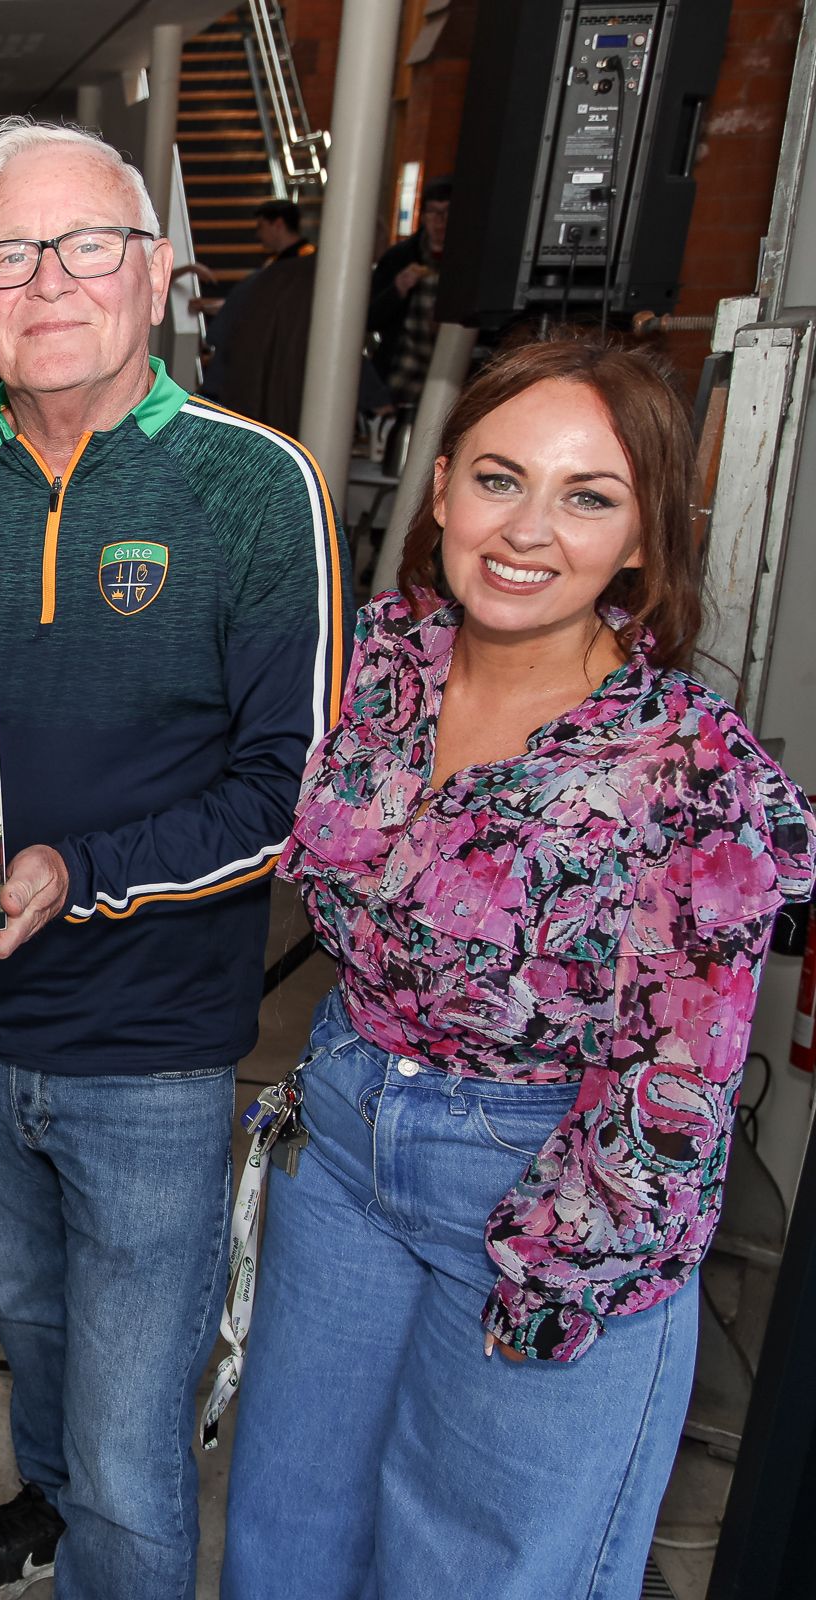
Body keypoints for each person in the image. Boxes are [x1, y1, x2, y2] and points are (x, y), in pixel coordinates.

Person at [0, 117, 343, 1600]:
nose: (48, 279)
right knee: (36, 1326)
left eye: (87, 245)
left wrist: (73, 871)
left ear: (156, 273)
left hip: (152, 1054)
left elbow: (292, 792)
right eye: (9, 254)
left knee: (135, 1438)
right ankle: (45, 1505)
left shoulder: (256, 487)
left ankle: (98, 1527)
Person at [222, 336, 811, 1597]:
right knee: (285, 1539)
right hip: (344, 1144)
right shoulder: (379, 664)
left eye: (588, 496)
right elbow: (178, 738)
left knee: (470, 1570)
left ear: (642, 539)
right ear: (441, 487)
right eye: (499, 478)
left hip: (552, 1180)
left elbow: (681, 1081)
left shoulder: (686, 767)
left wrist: (561, 1275)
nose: (527, 529)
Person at [201, 197, 316, 428]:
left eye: (261, 227)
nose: (258, 235)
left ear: (278, 224)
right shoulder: (280, 265)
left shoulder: (301, 265)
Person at [372, 176, 451, 405]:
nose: (440, 221)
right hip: (401, 372)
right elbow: (369, 317)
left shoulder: (468, 262)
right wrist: (397, 289)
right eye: (433, 212)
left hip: (449, 372)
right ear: (423, 216)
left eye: (447, 212)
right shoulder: (399, 257)